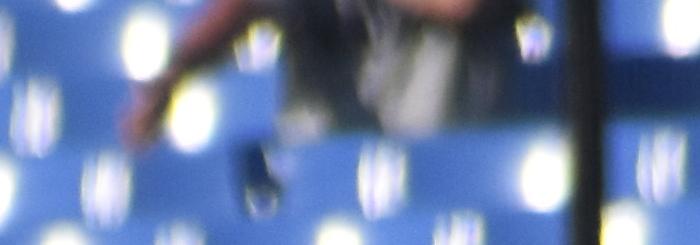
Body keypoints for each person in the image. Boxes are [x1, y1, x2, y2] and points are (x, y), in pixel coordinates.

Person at [122, 0, 514, 145]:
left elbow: (464, 6)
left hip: (433, 136)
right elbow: (238, 9)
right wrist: (175, 73)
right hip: (333, 138)